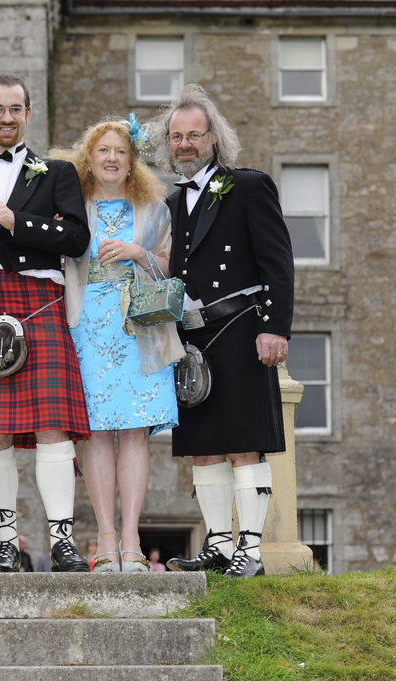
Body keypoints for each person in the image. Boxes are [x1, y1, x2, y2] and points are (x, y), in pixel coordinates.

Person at [0, 73, 92, 573]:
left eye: (16, 109)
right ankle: (3, 543)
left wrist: (17, 221)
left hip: (40, 303)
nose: (6, 118)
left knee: (54, 425)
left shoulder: (56, 174)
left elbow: (76, 239)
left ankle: (62, 541)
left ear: (29, 115)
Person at [153, 84, 294, 579]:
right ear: (168, 144)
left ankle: (250, 551)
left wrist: (274, 327)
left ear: (213, 137)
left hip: (240, 327)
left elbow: (278, 262)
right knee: (204, 444)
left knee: (244, 442)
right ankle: (216, 543)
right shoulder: (170, 203)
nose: (185, 144)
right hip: (192, 336)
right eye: (176, 137)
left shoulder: (249, 186)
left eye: (194, 135)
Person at [55, 117, 183, 573]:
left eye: (120, 152)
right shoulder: (73, 206)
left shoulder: (155, 209)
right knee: (95, 433)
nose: (111, 158)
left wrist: (137, 254)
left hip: (139, 329)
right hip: (86, 325)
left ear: (132, 163)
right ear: (89, 159)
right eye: (103, 150)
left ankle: (131, 537)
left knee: (134, 431)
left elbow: (171, 266)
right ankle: (104, 537)